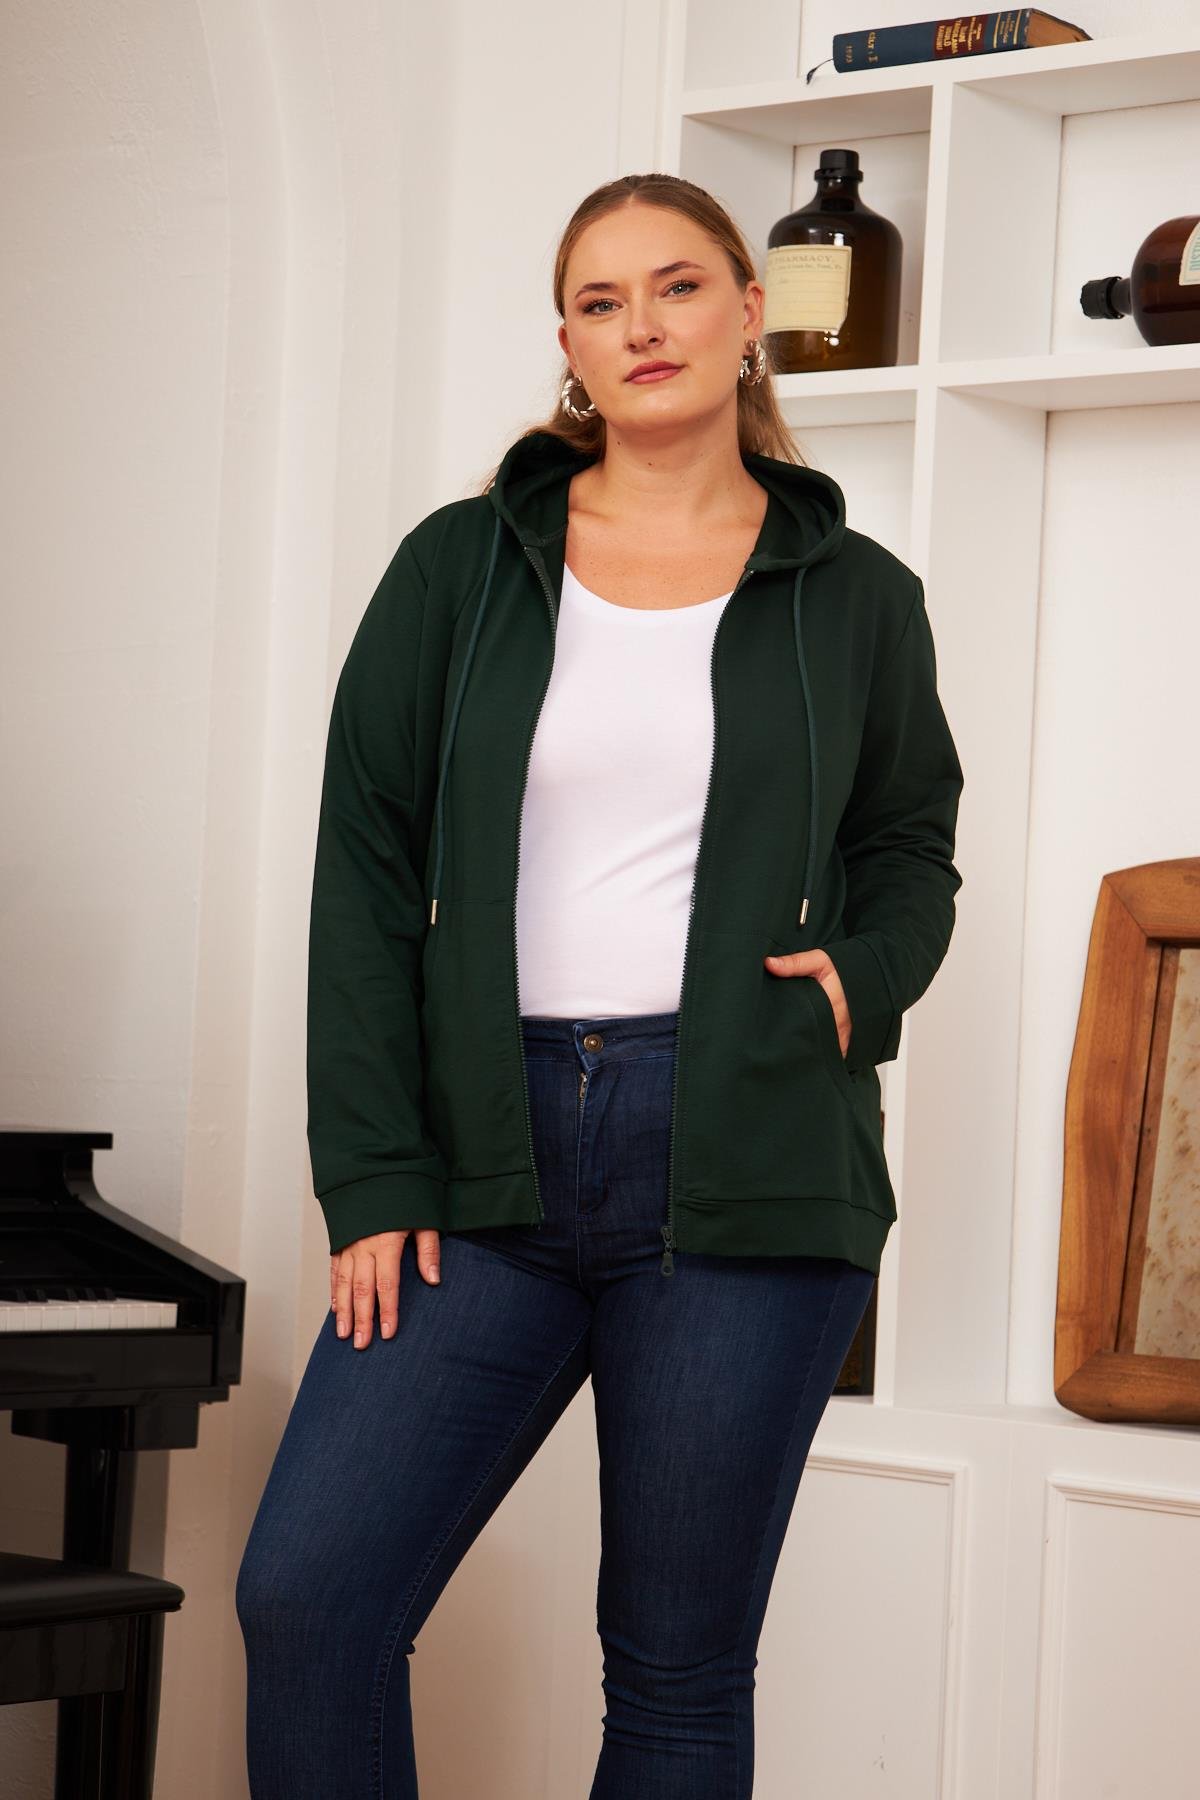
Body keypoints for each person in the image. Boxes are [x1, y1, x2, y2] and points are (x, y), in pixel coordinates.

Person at [235, 171, 964, 1798]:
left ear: (750, 311)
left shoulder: (856, 594)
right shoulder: (460, 569)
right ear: (566, 342)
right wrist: (373, 1174)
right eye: (599, 300)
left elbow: (911, 844)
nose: (643, 325)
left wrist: (860, 981)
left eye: (679, 286)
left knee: (676, 1672)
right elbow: (365, 870)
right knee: (311, 1599)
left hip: (747, 1153)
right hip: (480, 1156)